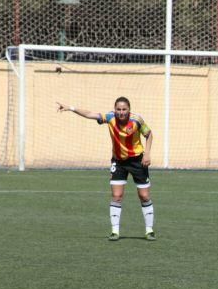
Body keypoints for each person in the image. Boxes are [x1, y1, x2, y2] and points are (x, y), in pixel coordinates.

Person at [56, 97, 155, 241]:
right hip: (119, 162)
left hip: (137, 161)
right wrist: (71, 108)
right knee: (117, 196)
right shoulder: (110, 117)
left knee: (144, 196)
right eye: (118, 109)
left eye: (124, 109)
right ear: (115, 109)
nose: (121, 112)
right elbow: (91, 114)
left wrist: (147, 153)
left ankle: (149, 230)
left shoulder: (137, 120)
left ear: (129, 110)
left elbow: (149, 134)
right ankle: (115, 231)